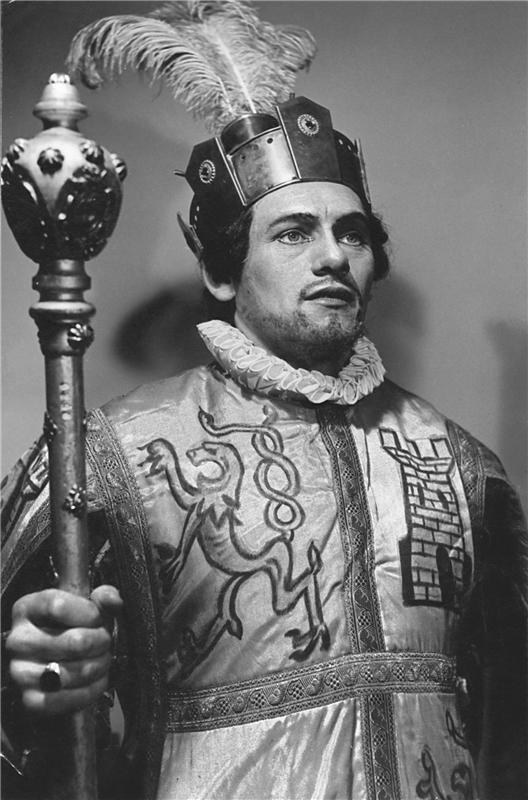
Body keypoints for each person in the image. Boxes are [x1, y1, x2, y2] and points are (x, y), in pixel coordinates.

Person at [2, 3, 527, 800]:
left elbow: (513, 722)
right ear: (222, 273)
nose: (332, 256)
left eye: (353, 233)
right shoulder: (114, 454)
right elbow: (26, 708)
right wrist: (36, 688)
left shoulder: (461, 466)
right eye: (293, 233)